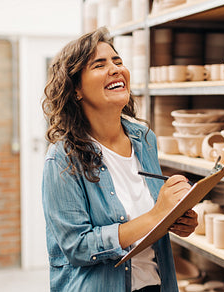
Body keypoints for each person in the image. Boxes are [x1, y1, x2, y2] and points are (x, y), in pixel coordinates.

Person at [42, 27, 198, 292]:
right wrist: (155, 215)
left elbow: (152, 218)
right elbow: (77, 247)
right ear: (76, 88)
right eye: (99, 64)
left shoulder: (144, 138)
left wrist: (174, 219)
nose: (115, 69)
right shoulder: (62, 159)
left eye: (118, 61)